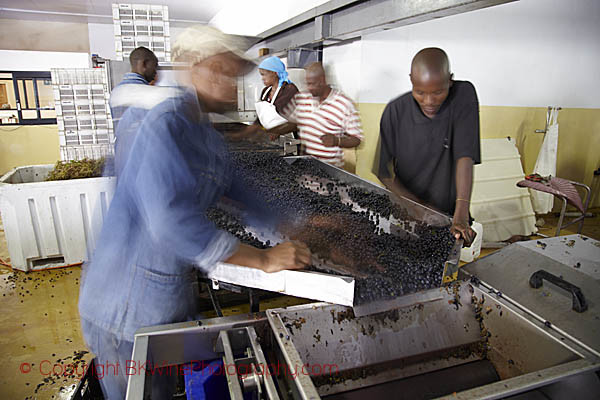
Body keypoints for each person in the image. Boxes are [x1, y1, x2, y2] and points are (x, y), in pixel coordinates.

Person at [79, 26, 311, 399]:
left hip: (159, 305)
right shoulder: (161, 125)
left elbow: (245, 193)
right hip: (124, 311)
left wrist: (305, 224)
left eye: (234, 74)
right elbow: (172, 223)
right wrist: (264, 259)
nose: (229, 83)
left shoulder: (205, 136)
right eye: (219, 69)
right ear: (192, 67)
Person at [374, 47, 480, 246]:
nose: (429, 102)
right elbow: (384, 172)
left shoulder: (463, 96)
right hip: (405, 217)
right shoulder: (395, 111)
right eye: (420, 92)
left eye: (439, 92)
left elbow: (465, 156)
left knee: (442, 270)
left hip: (447, 219)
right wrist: (417, 208)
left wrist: (460, 216)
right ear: (411, 80)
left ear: (450, 79)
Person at [273, 62, 363, 167]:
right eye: (307, 83)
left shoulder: (343, 104)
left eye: (312, 84)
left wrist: (336, 140)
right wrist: (276, 130)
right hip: (306, 166)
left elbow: (357, 139)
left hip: (330, 168)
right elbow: (292, 122)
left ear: (322, 81)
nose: (309, 88)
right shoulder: (302, 98)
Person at [233, 56, 299, 139]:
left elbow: (295, 119)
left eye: (264, 75)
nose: (262, 78)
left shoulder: (290, 90)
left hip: (290, 138)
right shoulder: (265, 91)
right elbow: (262, 117)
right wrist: (251, 129)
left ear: (275, 73)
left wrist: (278, 131)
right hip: (271, 137)